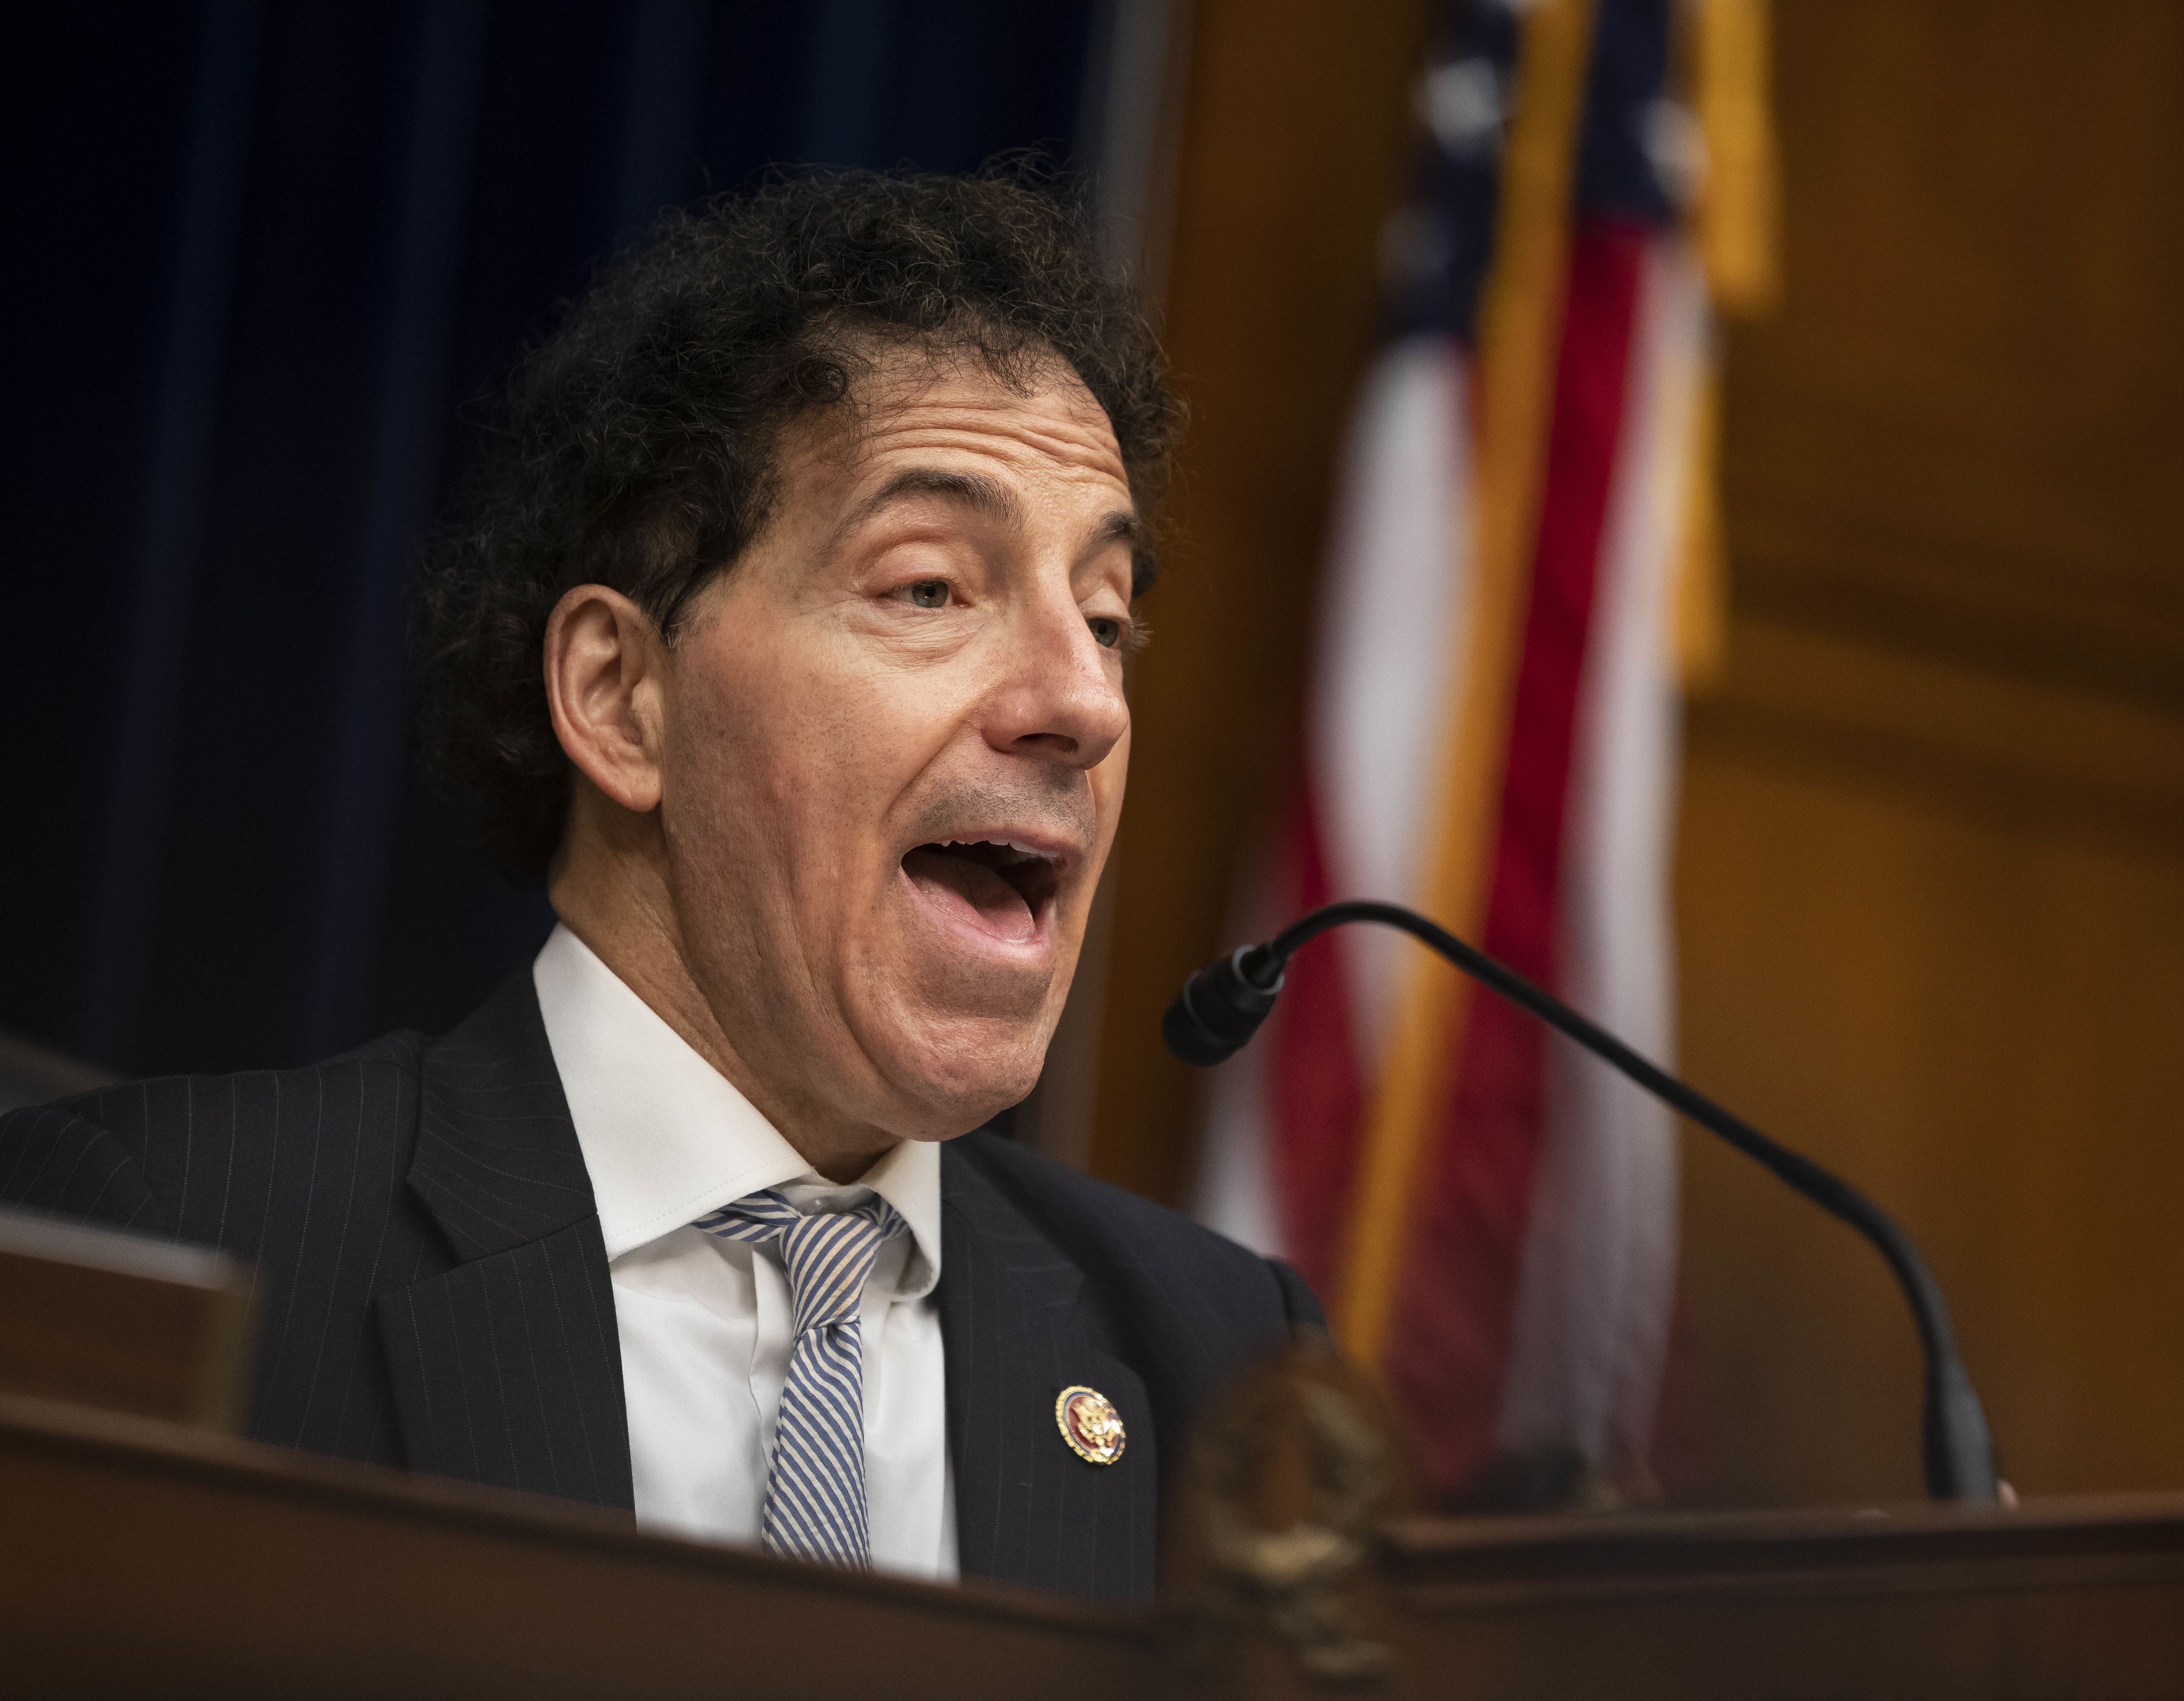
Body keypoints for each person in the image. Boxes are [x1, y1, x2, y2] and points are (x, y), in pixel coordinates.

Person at [0, 171, 1322, 1604]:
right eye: (932, 587)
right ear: (623, 698)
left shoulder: (1222, 1365)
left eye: (1111, 617)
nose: (1086, 700)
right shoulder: (183, 1239)